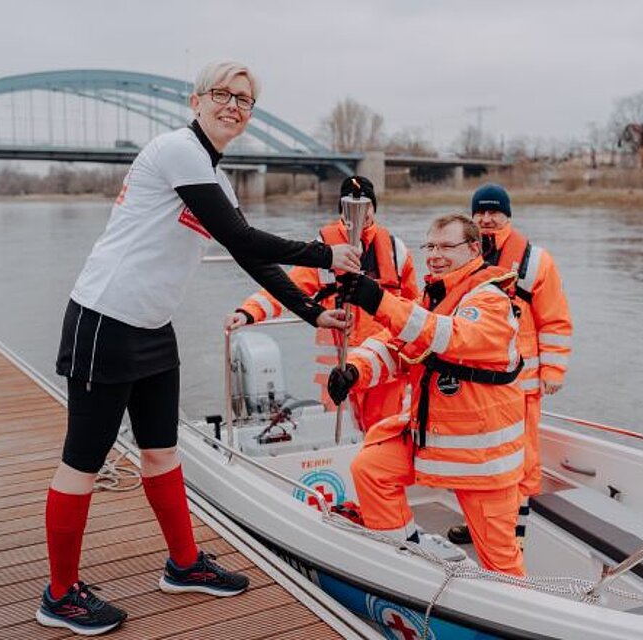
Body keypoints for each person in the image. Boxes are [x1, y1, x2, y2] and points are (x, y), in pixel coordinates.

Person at [38, 60, 361, 636]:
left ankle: (183, 565)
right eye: (223, 94)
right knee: (82, 464)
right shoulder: (177, 151)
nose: (234, 105)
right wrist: (323, 254)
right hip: (104, 320)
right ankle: (59, 596)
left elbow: (249, 257)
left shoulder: (213, 176)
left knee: (162, 452)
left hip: (152, 327)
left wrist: (312, 311)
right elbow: (241, 236)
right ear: (195, 101)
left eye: (246, 99)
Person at [328, 214, 530, 575]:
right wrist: (354, 370)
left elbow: (451, 336)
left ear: (473, 249)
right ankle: (403, 560)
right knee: (372, 468)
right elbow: (398, 346)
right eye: (431, 246)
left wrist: (379, 301)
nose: (435, 255)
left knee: (501, 565)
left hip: (483, 459)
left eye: (446, 246)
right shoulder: (438, 294)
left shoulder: (490, 299)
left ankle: (523, 621)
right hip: (436, 437)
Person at [225, 175, 418, 430]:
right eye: (353, 204)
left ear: (374, 208)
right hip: (339, 368)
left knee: (384, 435)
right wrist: (248, 312)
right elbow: (287, 289)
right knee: (339, 435)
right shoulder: (323, 250)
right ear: (341, 207)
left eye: (367, 204)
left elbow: (415, 307)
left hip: (384, 367)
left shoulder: (397, 250)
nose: (363, 211)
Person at [446, 183, 572, 550]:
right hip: (474, 383)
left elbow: (556, 320)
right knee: (473, 456)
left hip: (521, 384)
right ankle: (476, 525)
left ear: (507, 215)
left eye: (493, 212)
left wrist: (553, 371)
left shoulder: (535, 262)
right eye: (480, 212)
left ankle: (514, 535)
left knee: (523, 459)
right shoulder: (459, 254)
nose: (486, 219)